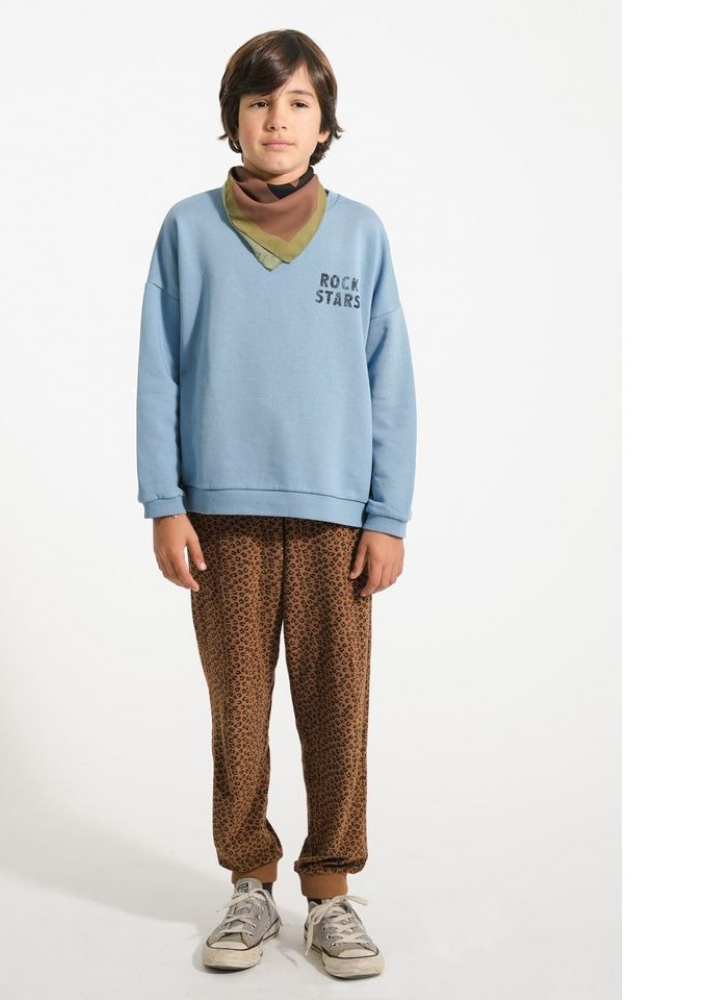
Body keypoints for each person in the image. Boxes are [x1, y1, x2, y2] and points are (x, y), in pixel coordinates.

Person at [136, 28, 417, 980]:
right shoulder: (187, 230)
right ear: (234, 120)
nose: (278, 119)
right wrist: (164, 501)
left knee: (339, 710)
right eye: (260, 102)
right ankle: (249, 880)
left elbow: (391, 384)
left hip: (339, 520)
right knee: (239, 709)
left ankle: (330, 892)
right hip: (220, 518)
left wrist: (388, 516)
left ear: (325, 123)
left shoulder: (362, 234)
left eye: (299, 102)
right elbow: (159, 374)